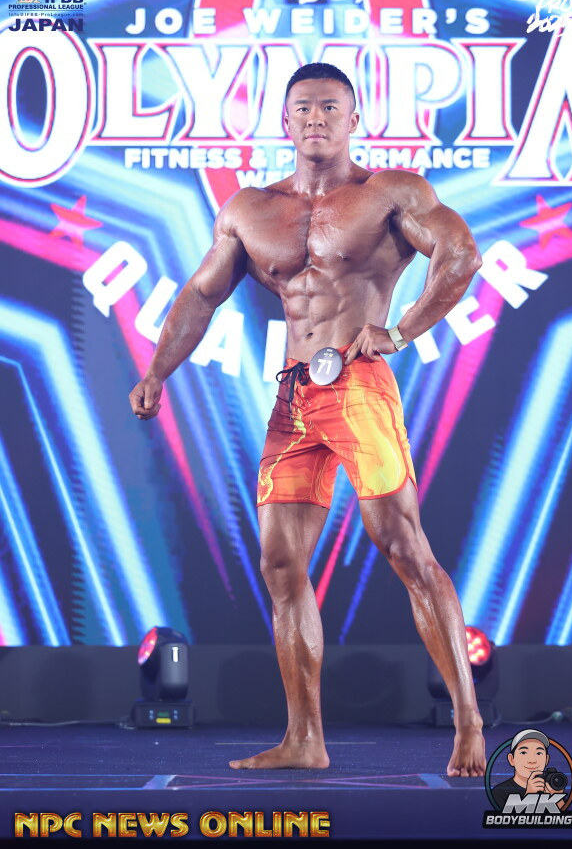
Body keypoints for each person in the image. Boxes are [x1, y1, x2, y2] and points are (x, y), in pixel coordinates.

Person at [129, 61, 487, 776]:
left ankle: (470, 723)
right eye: (303, 108)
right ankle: (304, 739)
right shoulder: (250, 210)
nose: (315, 118)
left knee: (404, 547)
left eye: (329, 107)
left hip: (358, 386)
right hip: (293, 398)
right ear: (284, 121)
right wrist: (157, 371)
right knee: (280, 563)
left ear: (354, 119)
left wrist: (403, 329)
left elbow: (461, 253)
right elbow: (200, 295)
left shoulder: (389, 194)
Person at [491, 730, 567, 811]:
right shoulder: (499, 792)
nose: (532, 760)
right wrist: (529, 796)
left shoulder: (552, 786)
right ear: (511, 759)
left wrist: (557, 798)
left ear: (546, 759)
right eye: (524, 753)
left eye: (539, 753)